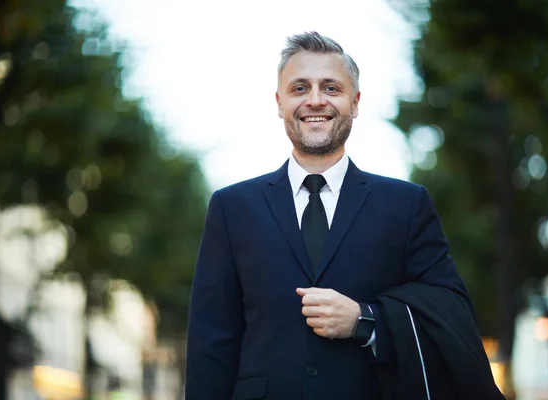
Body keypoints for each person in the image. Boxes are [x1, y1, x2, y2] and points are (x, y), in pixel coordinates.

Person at [185, 31, 504, 400]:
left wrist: (365, 320)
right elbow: (211, 342)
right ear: (279, 102)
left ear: (355, 102)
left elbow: (450, 314)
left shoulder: (406, 204)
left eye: (331, 88)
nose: (315, 100)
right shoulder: (231, 207)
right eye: (300, 88)